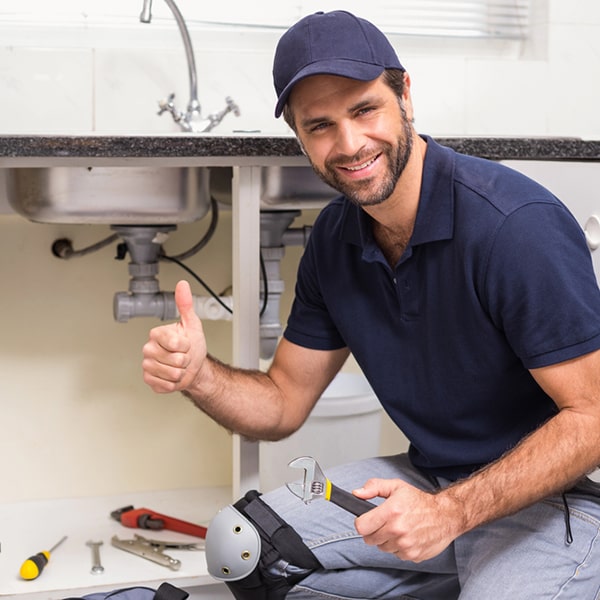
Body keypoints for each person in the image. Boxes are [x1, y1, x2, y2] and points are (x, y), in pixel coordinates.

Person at [142, 10, 600, 599]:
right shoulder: (335, 241)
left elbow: (592, 417)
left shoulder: (514, 227)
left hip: (548, 502)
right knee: (241, 544)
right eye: (320, 126)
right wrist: (200, 376)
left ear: (405, 94)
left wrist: (451, 513)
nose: (350, 144)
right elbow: (282, 404)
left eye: (364, 110)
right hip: (430, 482)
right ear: (299, 137)